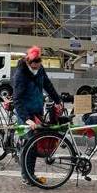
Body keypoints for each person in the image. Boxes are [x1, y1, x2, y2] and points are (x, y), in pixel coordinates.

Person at [12, 46, 62, 185]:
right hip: (26, 114)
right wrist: (27, 119)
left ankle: (29, 174)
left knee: (34, 144)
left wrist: (58, 101)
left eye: (39, 61)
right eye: (35, 62)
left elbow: (48, 85)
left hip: (37, 111)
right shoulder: (20, 75)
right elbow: (17, 99)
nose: (38, 64)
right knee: (29, 144)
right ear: (28, 61)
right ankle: (27, 176)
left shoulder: (40, 70)